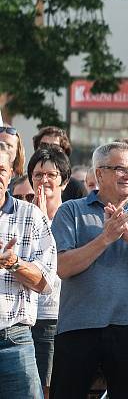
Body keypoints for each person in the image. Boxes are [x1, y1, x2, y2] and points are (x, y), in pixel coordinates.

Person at [50, 141, 128, 399]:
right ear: (99, 173)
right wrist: (105, 238)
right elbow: (62, 267)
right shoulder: (71, 212)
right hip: (78, 326)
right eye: (121, 168)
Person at [0, 147, 58, 398]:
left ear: (12, 173)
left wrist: (13, 262)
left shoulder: (31, 216)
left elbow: (45, 282)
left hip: (14, 339)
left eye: (1, 169)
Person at [27, 147, 70, 398]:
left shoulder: (71, 214)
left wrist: (44, 222)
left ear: (63, 180)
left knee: (49, 388)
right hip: (28, 317)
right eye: (37, 175)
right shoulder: (24, 215)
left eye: (51, 174)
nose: (44, 180)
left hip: (56, 317)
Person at [32, 126, 85, 203]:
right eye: (44, 146)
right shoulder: (23, 185)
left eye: (55, 147)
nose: (48, 150)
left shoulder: (76, 188)